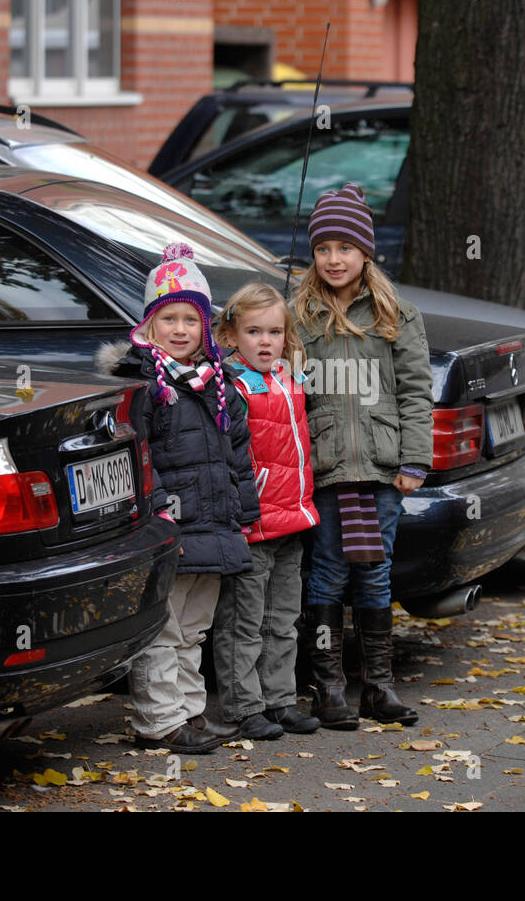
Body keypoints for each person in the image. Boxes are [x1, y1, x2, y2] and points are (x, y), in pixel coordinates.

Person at [95, 242, 259, 754]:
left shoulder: (218, 384)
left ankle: (189, 711)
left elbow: (238, 452)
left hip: (215, 525)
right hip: (171, 526)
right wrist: (161, 507)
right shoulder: (147, 385)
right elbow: (134, 453)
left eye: (192, 318)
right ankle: (159, 721)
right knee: (163, 627)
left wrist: (244, 508)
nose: (182, 329)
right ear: (149, 326)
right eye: (170, 318)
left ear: (205, 327)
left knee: (194, 628)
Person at [293, 183, 433, 730]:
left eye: (344, 248)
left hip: (381, 469)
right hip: (324, 470)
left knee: (374, 575)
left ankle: (379, 687)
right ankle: (328, 690)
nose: (333, 259)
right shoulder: (297, 314)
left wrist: (413, 460)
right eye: (323, 248)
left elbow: (416, 392)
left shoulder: (395, 313)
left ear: (365, 252)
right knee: (325, 575)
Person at [211, 283, 322, 740]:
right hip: (252, 524)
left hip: (291, 519)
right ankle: (244, 705)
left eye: (274, 332)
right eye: (253, 331)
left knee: (282, 620)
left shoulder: (288, 379)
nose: (264, 341)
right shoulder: (230, 387)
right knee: (244, 621)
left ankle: (279, 700)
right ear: (232, 335)